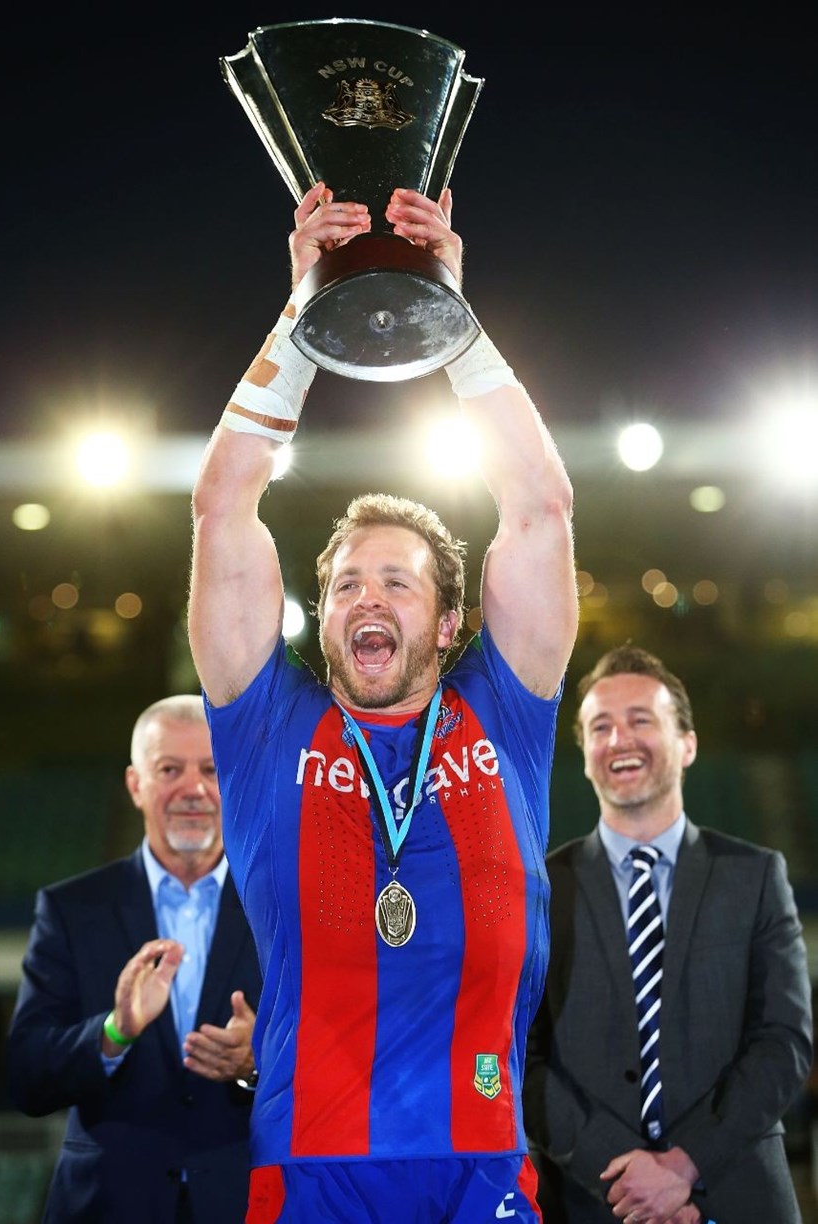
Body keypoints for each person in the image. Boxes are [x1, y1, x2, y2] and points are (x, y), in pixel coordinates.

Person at [187, 182, 579, 1222]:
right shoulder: (268, 722)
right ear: (321, 617)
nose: (367, 598)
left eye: (397, 583)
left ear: (448, 623)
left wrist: (449, 318)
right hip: (311, 1170)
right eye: (348, 584)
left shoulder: (504, 709)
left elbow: (539, 507)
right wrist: (304, 313)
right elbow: (223, 504)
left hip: (481, 1167)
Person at [523, 644, 813, 1224]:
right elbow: (520, 1057)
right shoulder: (542, 891)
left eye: (641, 721)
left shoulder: (756, 877)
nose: (619, 739)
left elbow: (784, 1044)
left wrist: (684, 1166)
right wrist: (627, 1177)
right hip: (593, 1201)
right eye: (600, 727)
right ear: (586, 757)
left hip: (738, 1197)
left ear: (688, 745)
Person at [7, 695, 263, 1224]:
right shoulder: (71, 909)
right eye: (169, 769)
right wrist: (114, 1031)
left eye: (210, 769)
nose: (193, 789)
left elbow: (339, 1064)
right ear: (135, 785)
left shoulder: (280, 907)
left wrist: (258, 1062)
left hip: (245, 1204)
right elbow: (28, 1076)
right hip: (107, 1207)